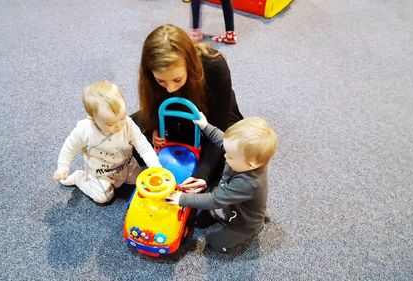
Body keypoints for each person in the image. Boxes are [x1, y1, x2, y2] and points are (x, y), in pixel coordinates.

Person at [133, 23, 243, 191]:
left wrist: (202, 173)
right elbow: (155, 106)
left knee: (238, 156)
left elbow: (219, 125)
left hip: (210, 120)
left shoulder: (214, 65)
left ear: (189, 64)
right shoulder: (151, 76)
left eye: (177, 79)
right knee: (122, 128)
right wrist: (155, 127)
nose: (170, 88)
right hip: (174, 116)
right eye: (161, 81)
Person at [165, 113, 278, 252]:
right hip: (228, 202)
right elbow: (222, 140)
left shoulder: (248, 183)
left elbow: (215, 200)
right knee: (200, 220)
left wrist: (181, 199)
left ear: (252, 164)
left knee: (213, 239)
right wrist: (206, 126)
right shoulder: (243, 157)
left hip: (242, 223)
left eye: (230, 156)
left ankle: (256, 225)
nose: (225, 155)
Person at [53, 80, 161, 204]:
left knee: (141, 180)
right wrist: (63, 167)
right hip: (100, 174)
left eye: (122, 117)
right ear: (93, 119)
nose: (119, 125)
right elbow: (69, 147)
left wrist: (155, 165)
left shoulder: (127, 123)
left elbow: (143, 146)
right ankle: (79, 178)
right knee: (103, 198)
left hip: (126, 166)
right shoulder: (85, 130)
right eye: (110, 124)